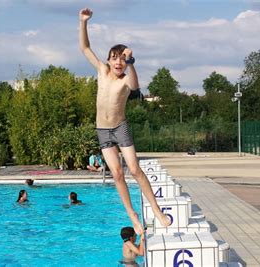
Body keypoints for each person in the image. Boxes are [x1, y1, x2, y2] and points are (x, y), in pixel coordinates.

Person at [79, 7, 170, 234]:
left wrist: (131, 62)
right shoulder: (101, 70)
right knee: (117, 174)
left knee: (135, 169)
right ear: (109, 60)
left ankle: (157, 210)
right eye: (115, 58)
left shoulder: (126, 79)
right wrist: (83, 22)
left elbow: (136, 86)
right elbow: (85, 47)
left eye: (122, 59)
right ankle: (132, 215)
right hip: (102, 130)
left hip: (120, 128)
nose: (118, 62)